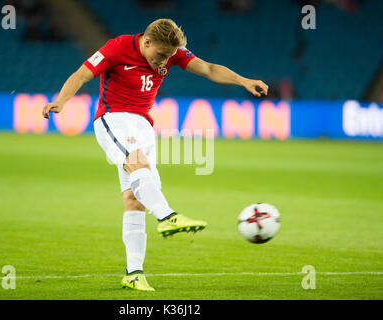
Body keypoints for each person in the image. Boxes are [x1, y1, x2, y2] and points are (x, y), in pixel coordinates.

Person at [42, 19, 268, 291]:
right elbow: (81, 74)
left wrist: (243, 81)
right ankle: (167, 216)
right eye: (161, 54)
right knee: (138, 165)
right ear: (146, 42)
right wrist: (62, 100)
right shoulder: (117, 48)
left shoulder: (171, 52)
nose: (164, 60)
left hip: (143, 125)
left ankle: (133, 273)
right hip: (114, 119)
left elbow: (208, 68)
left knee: (134, 199)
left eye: (169, 56)